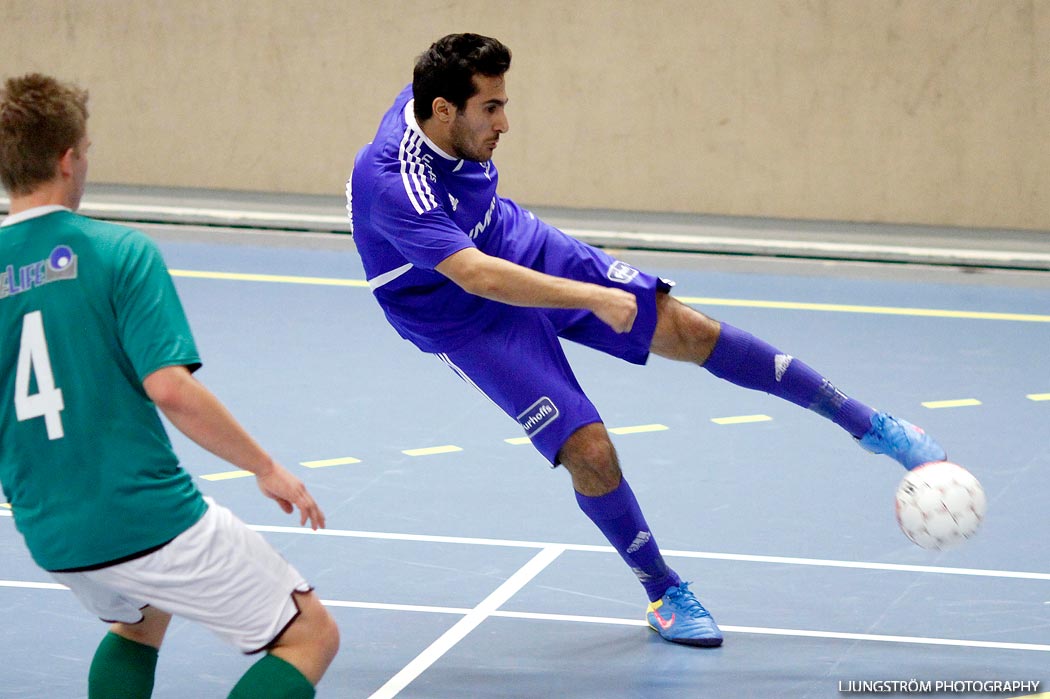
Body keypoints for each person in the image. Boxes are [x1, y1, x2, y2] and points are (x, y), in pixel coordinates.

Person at [345, 33, 946, 648]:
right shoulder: (394, 181)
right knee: (590, 450)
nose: (506, 122)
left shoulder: (430, 100)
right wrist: (592, 297)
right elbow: (475, 276)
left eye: (504, 102)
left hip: (502, 235)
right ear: (443, 110)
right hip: (457, 309)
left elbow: (486, 248)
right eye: (490, 109)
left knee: (685, 326)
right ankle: (664, 592)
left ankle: (872, 427)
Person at [0, 74, 339, 697]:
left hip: (47, 527)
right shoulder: (117, 251)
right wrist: (264, 467)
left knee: (139, 620)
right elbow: (171, 389)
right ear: (68, 158)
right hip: (142, 515)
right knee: (310, 636)